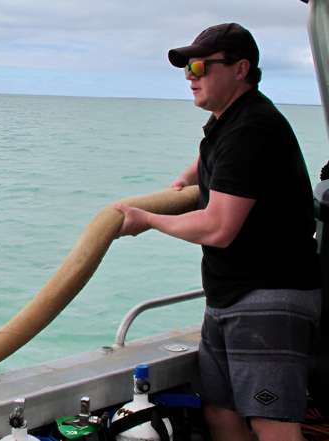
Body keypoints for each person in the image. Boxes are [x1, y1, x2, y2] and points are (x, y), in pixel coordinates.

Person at [115, 23, 321, 441]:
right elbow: (210, 156)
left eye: (199, 66)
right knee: (219, 412)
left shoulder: (251, 129)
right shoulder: (228, 124)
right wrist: (183, 181)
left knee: (271, 422)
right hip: (230, 295)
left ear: (240, 68)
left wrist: (148, 219)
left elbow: (219, 227)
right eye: (187, 68)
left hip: (269, 296)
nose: (190, 76)